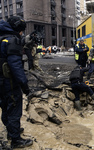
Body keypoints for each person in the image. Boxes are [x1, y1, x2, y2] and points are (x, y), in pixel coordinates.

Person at [0, 16, 33, 148]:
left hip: (0, 82)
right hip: (10, 82)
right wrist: (25, 86)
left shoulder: (2, 38)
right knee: (14, 109)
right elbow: (16, 67)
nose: (22, 33)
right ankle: (15, 140)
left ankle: (11, 131)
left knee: (5, 107)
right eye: (21, 31)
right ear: (17, 29)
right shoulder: (12, 40)